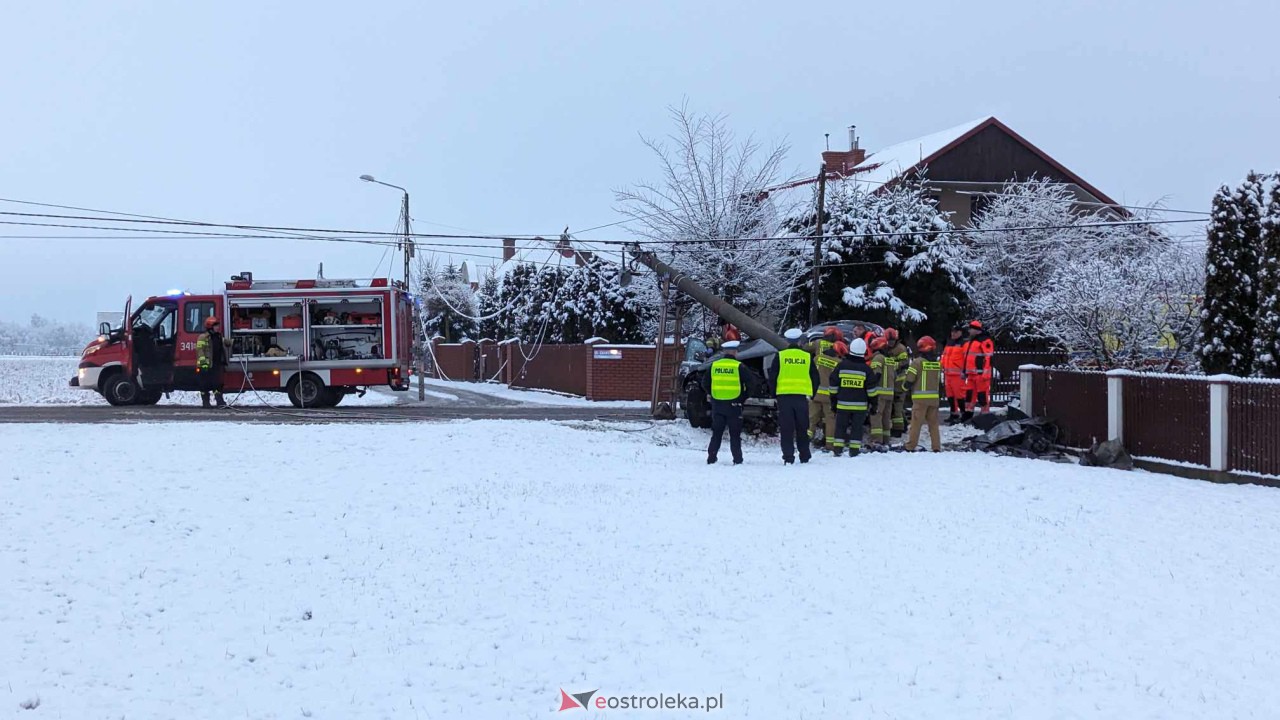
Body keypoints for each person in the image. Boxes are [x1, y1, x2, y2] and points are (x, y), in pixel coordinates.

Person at [701, 340, 757, 465]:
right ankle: (737, 459)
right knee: (735, 434)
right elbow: (752, 384)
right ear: (734, 352)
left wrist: (713, 393)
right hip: (734, 405)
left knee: (716, 433)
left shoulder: (714, 365)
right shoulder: (739, 366)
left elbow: (704, 383)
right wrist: (743, 397)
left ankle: (711, 457)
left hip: (718, 405)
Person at [769, 327, 819, 464]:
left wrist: (774, 394)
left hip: (784, 398)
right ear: (799, 341)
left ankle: (788, 457)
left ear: (787, 341)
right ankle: (805, 455)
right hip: (801, 398)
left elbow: (772, 377)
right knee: (802, 427)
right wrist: (813, 394)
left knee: (787, 428)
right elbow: (815, 378)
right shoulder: (807, 357)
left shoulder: (780, 356)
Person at [831, 338, 878, 457]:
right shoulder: (866, 369)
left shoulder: (841, 366)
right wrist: (874, 405)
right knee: (857, 428)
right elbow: (872, 390)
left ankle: (837, 449)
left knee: (840, 427)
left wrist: (833, 403)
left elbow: (833, 385)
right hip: (860, 406)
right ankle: (854, 451)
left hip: (842, 404)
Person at [902, 336, 944, 452]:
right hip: (934, 399)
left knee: (916, 424)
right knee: (934, 425)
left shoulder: (917, 362)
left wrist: (903, 387)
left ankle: (911, 445)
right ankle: (936, 447)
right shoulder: (937, 364)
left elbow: (909, 380)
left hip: (920, 400)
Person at [807, 327, 843, 450]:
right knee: (830, 419)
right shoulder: (838, 362)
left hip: (815, 393)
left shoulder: (817, 356)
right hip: (830, 395)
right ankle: (830, 444)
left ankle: (805, 440)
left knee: (811, 418)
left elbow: (805, 349)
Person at [196, 316, 233, 408]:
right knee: (204, 385)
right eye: (216, 326)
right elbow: (200, 350)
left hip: (216, 365)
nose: (218, 327)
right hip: (206, 366)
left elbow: (225, 342)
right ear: (210, 327)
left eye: (218, 325)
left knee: (217, 384)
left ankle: (220, 402)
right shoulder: (203, 337)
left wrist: (233, 342)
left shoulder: (218, 336)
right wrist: (203, 363)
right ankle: (206, 403)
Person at [867, 336, 896, 450]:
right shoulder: (890, 360)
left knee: (876, 417)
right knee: (886, 418)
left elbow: (876, 374)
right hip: (890, 393)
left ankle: (876, 440)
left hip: (879, 393)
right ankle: (886, 440)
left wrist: (869, 387)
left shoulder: (878, 358)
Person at [962, 320, 996, 418]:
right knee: (969, 395)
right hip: (972, 373)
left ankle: (985, 415)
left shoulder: (984, 341)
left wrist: (985, 373)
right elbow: (966, 359)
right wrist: (965, 372)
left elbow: (988, 357)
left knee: (982, 395)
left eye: (971, 329)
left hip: (980, 374)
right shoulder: (971, 342)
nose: (969, 331)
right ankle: (968, 413)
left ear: (977, 330)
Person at [884, 328, 911, 438]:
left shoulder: (901, 349)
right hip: (891, 381)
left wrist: (892, 366)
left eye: (892, 340)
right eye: (889, 340)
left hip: (899, 381)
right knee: (895, 406)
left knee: (898, 406)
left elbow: (904, 363)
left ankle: (898, 429)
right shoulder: (885, 348)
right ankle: (903, 425)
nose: (890, 342)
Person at [941, 326, 969, 425]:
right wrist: (941, 366)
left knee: (959, 395)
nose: (953, 334)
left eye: (955, 332)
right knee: (950, 396)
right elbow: (944, 357)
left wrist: (965, 371)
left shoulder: (964, 343)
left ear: (960, 332)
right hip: (948, 374)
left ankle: (964, 415)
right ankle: (954, 414)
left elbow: (967, 358)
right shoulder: (949, 343)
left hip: (957, 375)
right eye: (952, 331)